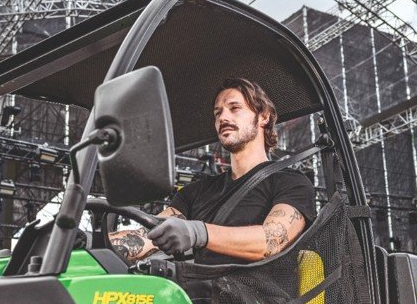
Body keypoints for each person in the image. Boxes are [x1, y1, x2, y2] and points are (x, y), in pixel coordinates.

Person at [110, 78, 316, 264]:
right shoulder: (196, 192)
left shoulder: (291, 183)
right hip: (197, 300)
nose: (223, 117)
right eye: (218, 113)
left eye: (234, 108)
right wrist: (89, 240)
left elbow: (271, 241)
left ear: (263, 117)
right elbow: (149, 235)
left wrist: (199, 232)